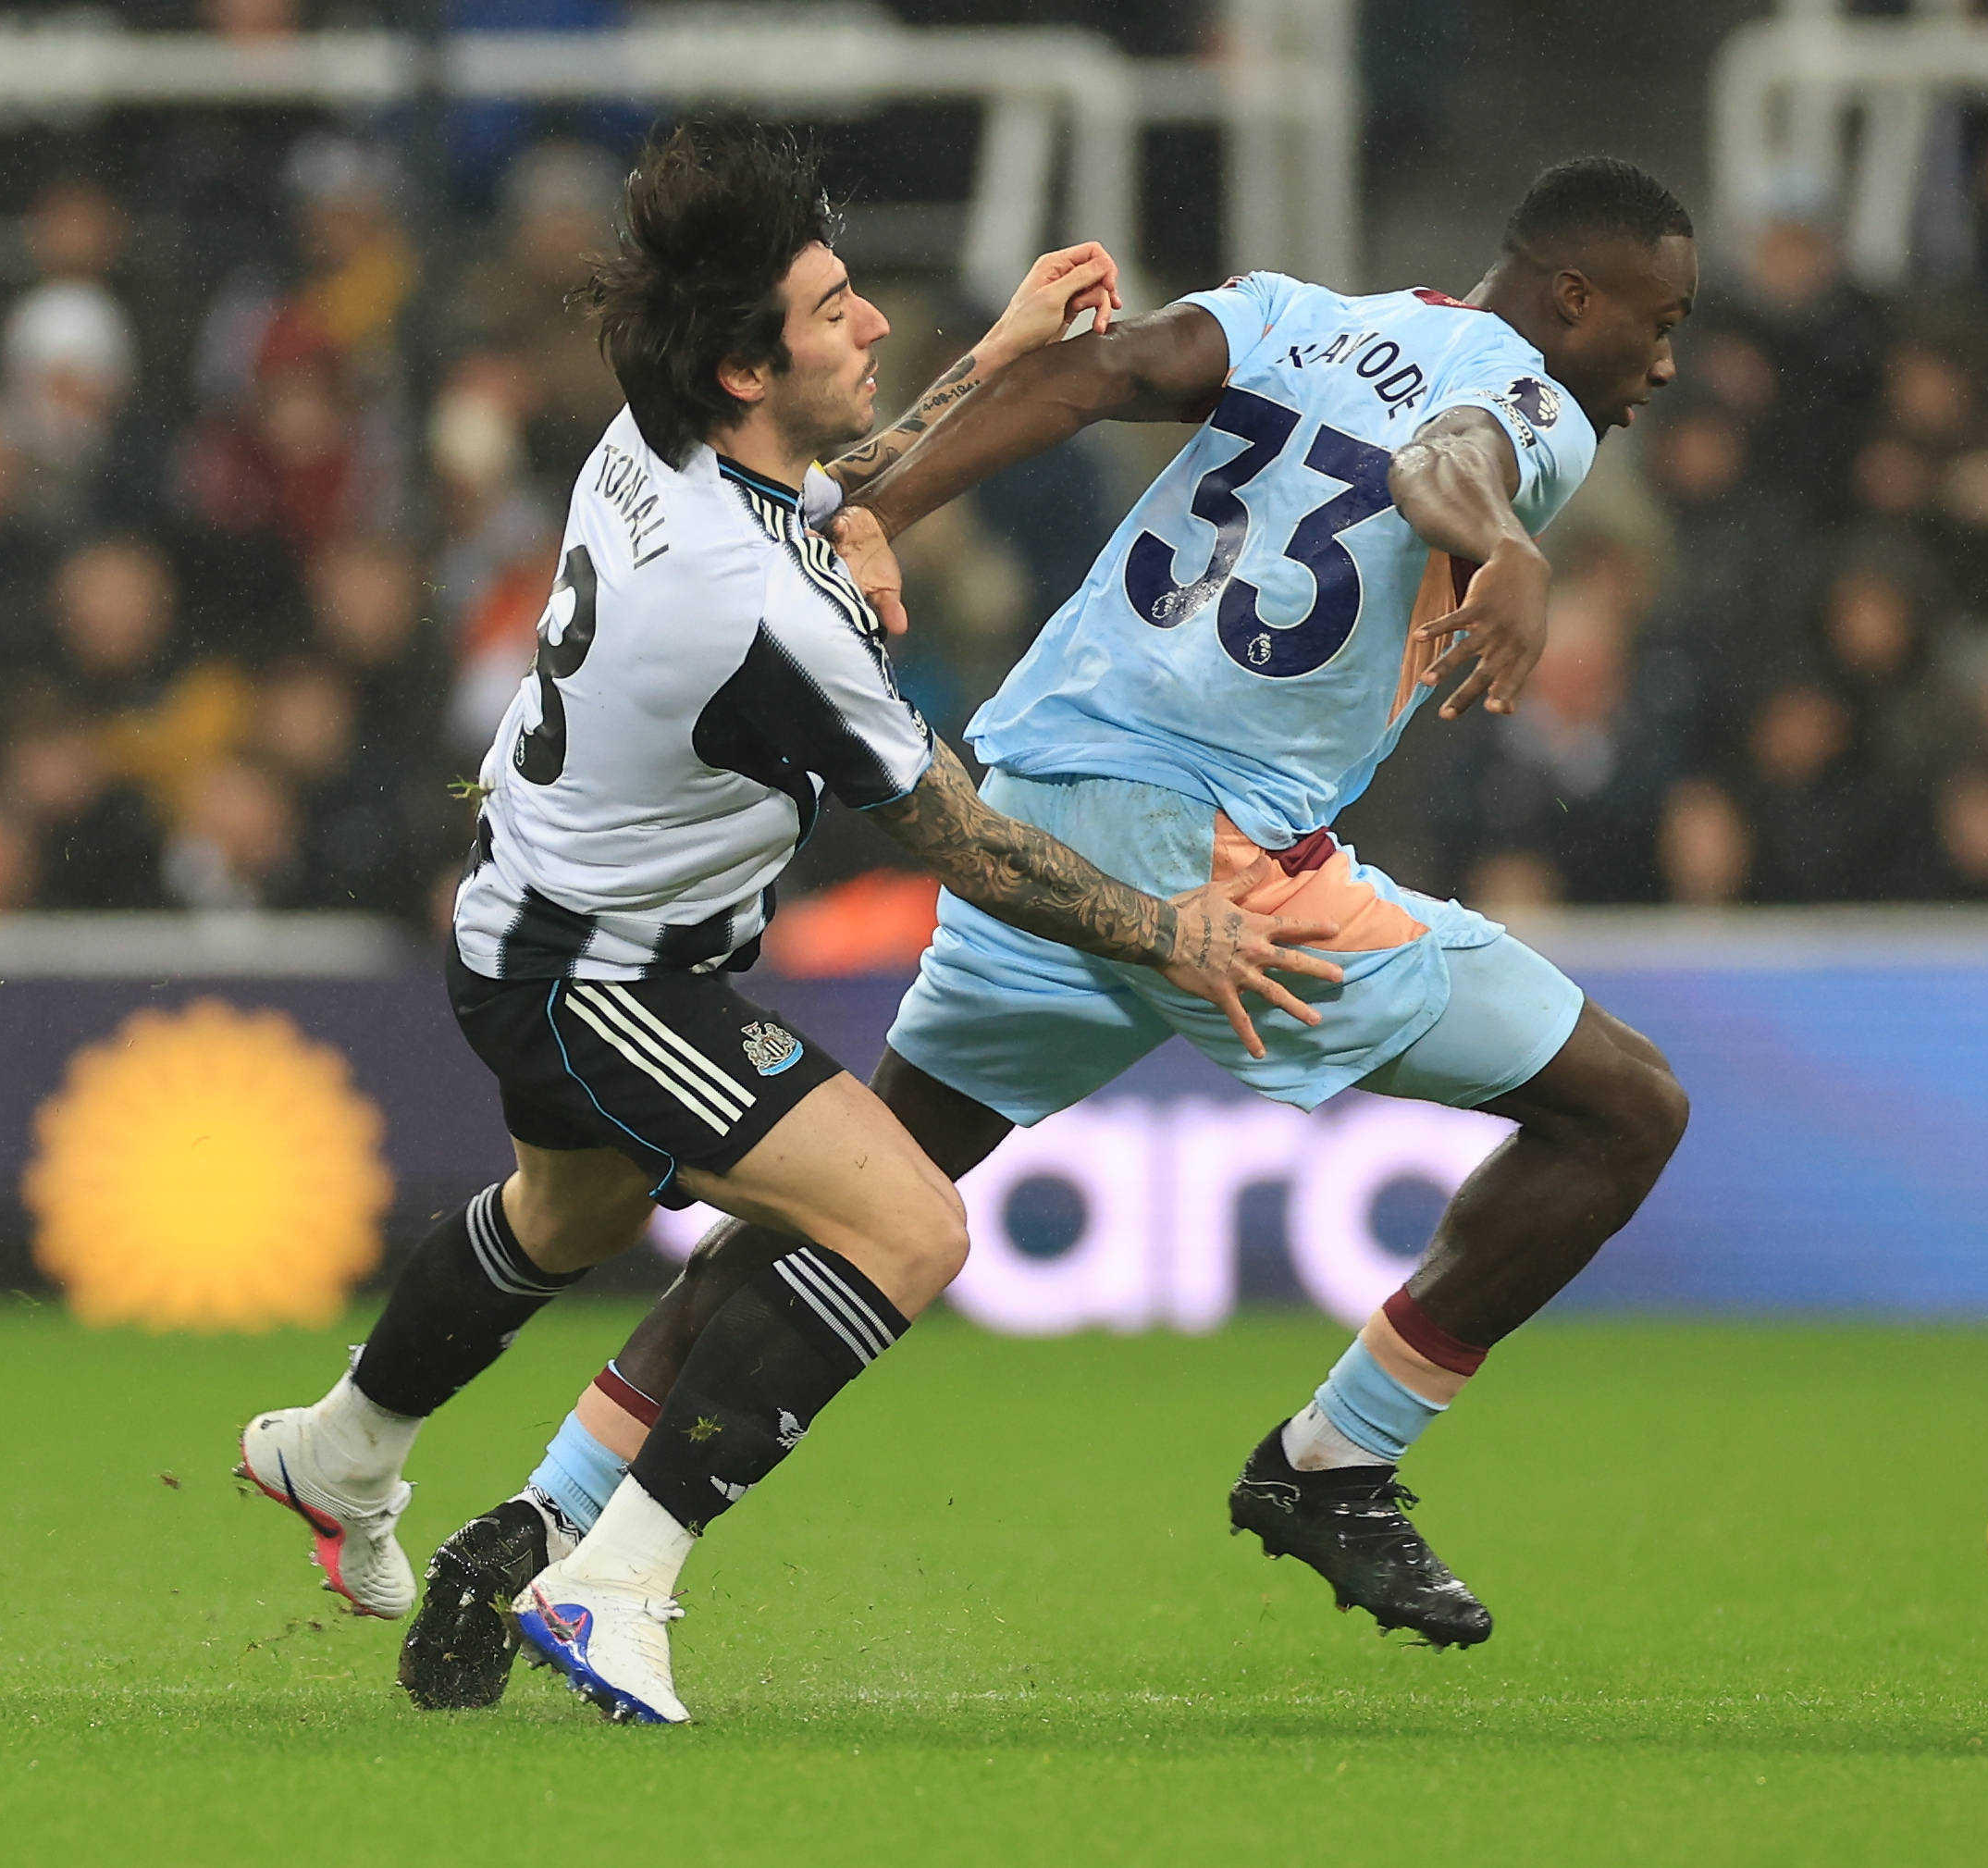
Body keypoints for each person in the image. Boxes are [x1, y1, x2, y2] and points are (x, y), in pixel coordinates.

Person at [401, 154, 1698, 1715]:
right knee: (1624, 1109)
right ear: (1573, 297)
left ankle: (545, 1512)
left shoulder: (1287, 310)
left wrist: (863, 509)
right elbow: (1447, 460)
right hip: (1204, 858)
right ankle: (1336, 1460)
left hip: (1047, 773)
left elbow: (1099, 373)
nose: (1665, 363)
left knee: (854, 1197)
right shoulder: (1532, 403)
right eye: (1660, 321)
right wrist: (1510, 546)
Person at [234, 121, 1340, 1726]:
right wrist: (1176, 934)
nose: (869, 323)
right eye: (835, 312)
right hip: (601, 977)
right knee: (907, 1228)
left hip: (532, 924)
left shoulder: (657, 438)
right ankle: (618, 1583)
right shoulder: (756, 606)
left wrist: (996, 358)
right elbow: (966, 841)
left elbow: (824, 488)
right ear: (748, 366)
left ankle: (338, 1450)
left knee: (571, 1219)